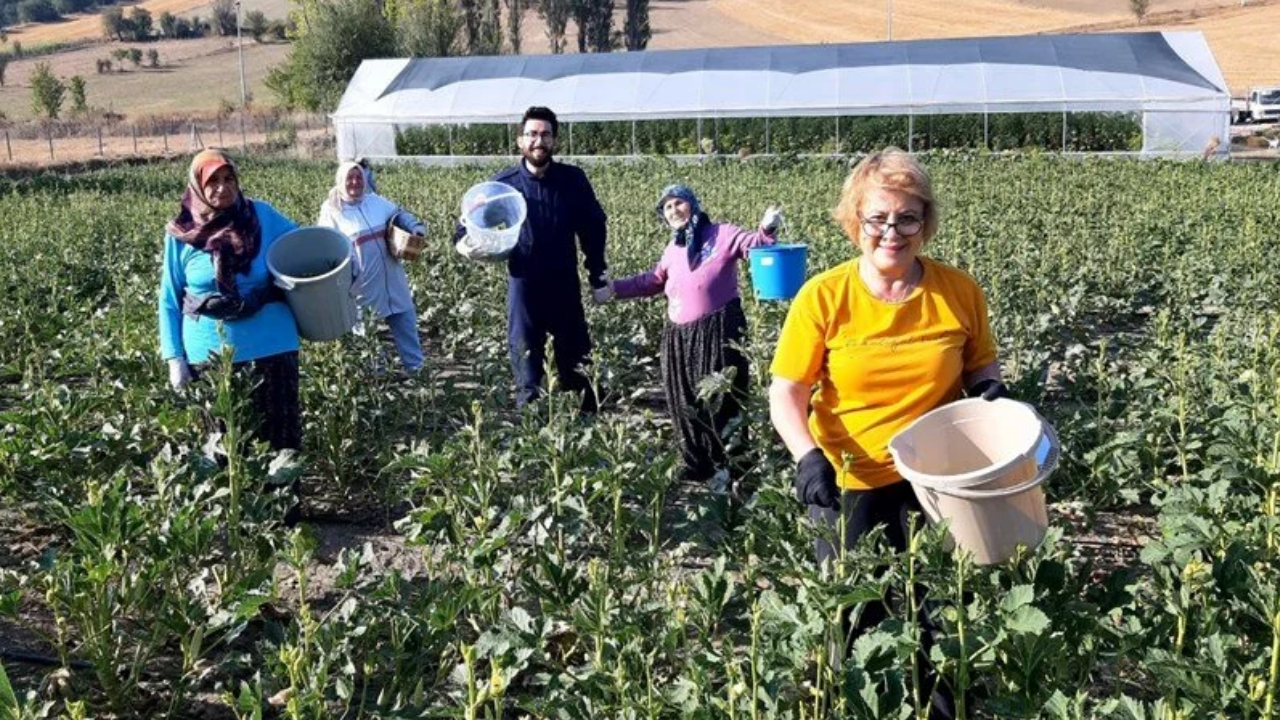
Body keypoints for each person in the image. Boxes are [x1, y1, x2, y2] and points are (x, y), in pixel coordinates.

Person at [767, 148, 1008, 718]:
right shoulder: (823, 296)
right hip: (851, 482)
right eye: (878, 218)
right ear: (855, 221)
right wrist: (808, 457)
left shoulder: (957, 290)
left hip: (941, 481)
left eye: (907, 217)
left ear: (926, 222)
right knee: (856, 622)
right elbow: (787, 392)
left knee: (946, 615)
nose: (891, 232)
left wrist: (989, 391)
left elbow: (982, 364)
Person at [598, 184, 782, 493]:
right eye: (667, 208)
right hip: (679, 336)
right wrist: (614, 288)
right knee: (683, 396)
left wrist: (767, 228)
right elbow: (653, 281)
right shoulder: (673, 249)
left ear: (692, 205)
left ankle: (732, 464)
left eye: (678, 203)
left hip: (718, 328)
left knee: (722, 396)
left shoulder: (721, 234)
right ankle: (696, 462)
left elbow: (755, 245)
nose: (673, 211)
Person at [158, 149, 304, 521]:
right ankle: (237, 516)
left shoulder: (263, 217)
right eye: (213, 182)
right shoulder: (180, 235)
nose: (223, 189)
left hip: (272, 343)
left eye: (229, 179)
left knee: (280, 433)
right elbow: (170, 300)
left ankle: (283, 516)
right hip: (210, 353)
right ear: (198, 187)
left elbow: (304, 250)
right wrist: (174, 357)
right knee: (222, 439)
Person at [454, 106, 610, 412]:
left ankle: (588, 434)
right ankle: (535, 437)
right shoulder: (504, 185)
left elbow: (593, 228)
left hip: (565, 285)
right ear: (519, 141)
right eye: (532, 134)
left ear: (555, 141)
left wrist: (597, 275)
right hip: (524, 286)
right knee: (527, 361)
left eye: (545, 134)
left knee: (578, 362)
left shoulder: (572, 180)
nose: (539, 140)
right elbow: (466, 225)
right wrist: (466, 243)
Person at [318, 161, 427, 373]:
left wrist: (415, 228)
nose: (355, 182)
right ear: (340, 181)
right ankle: (380, 380)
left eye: (359, 177)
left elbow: (399, 214)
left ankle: (418, 374)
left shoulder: (376, 202)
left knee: (405, 324)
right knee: (368, 336)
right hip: (362, 285)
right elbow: (326, 247)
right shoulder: (332, 212)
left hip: (393, 278)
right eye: (349, 178)